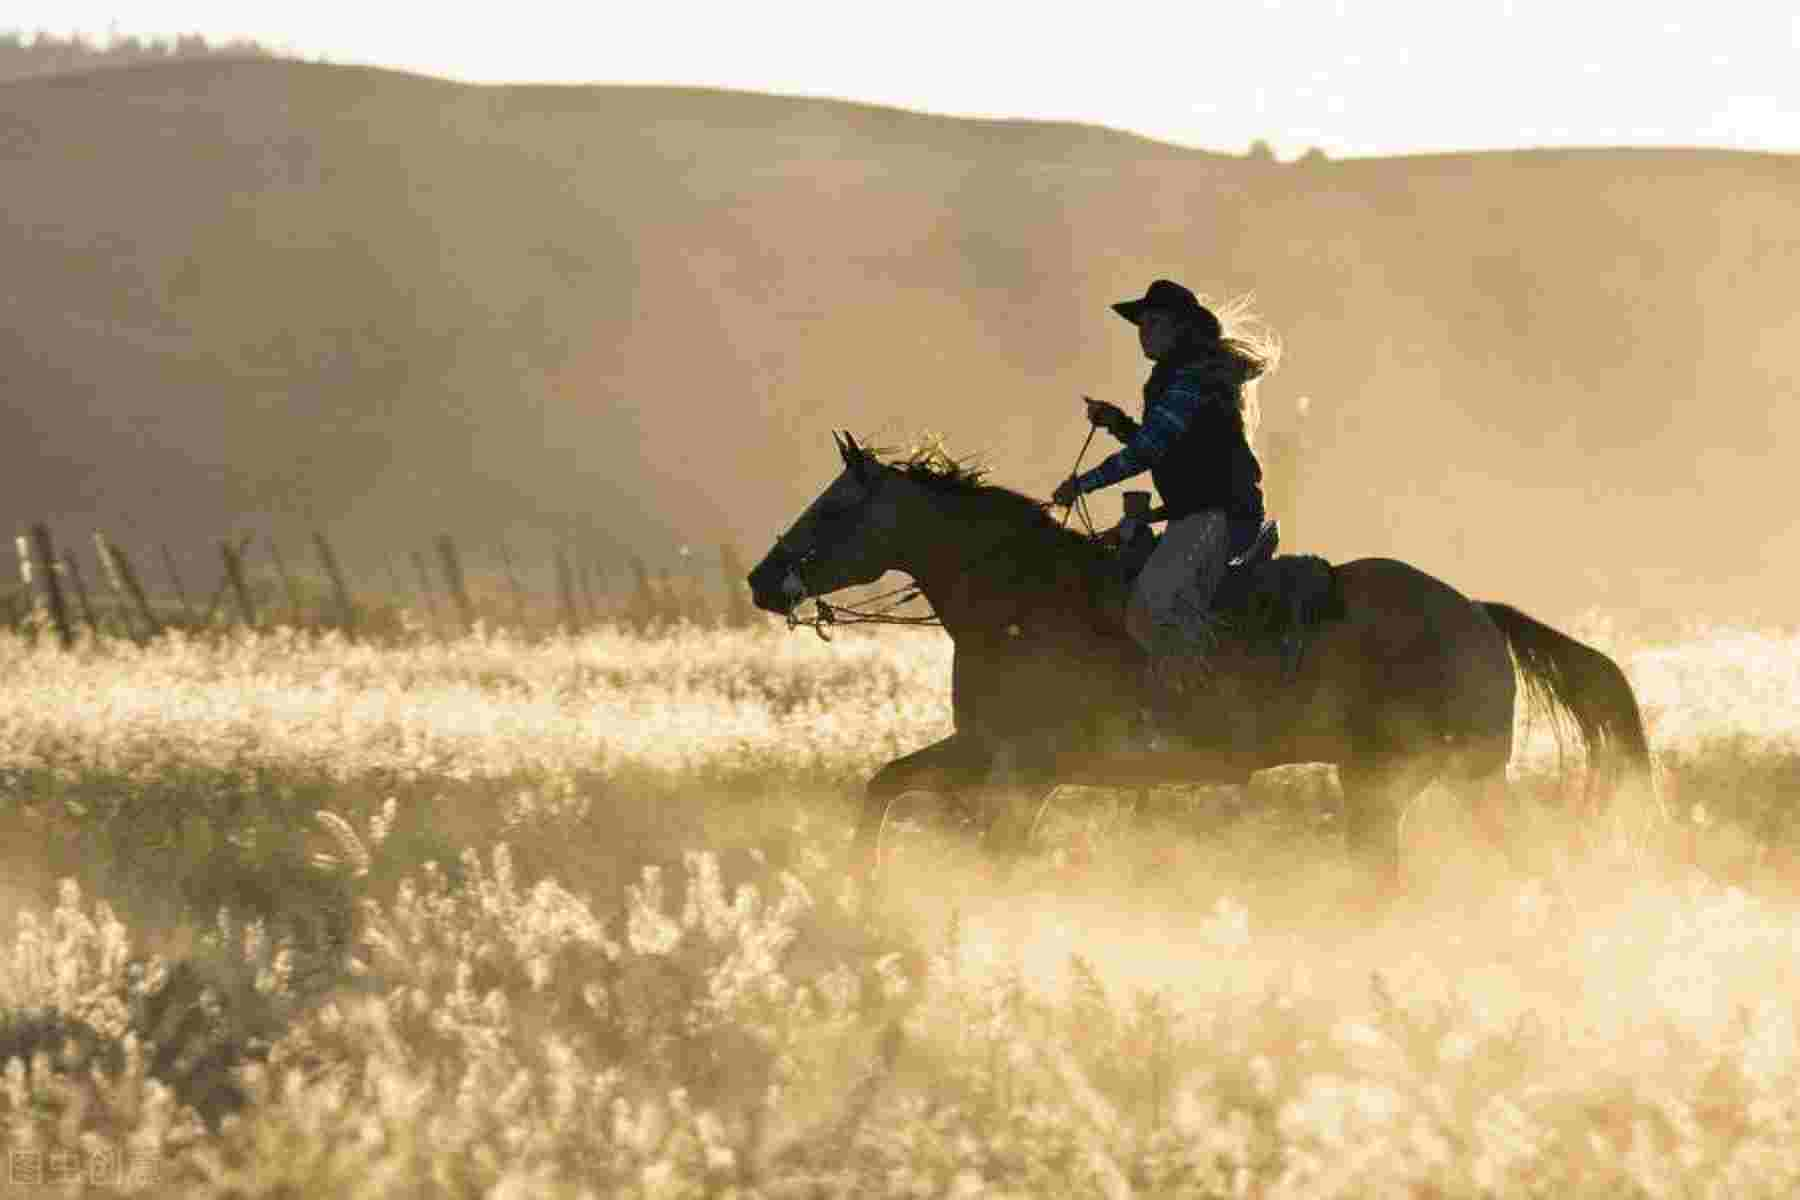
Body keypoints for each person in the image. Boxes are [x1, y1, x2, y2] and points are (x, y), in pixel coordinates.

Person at [1052, 279, 1274, 730]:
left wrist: (1083, 484)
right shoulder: (1187, 374)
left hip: (1216, 517)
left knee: (1149, 611)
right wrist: (1118, 424)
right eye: (1141, 324)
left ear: (1181, 328)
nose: (1143, 332)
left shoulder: (1188, 377)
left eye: (1154, 322)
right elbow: (1167, 447)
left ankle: (1196, 717)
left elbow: (1149, 452)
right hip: (1208, 514)